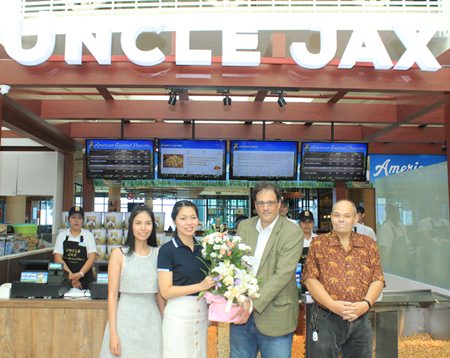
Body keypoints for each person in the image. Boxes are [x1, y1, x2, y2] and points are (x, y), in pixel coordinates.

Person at [302, 200, 385, 358]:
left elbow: (378, 278)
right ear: (331, 218)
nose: (341, 219)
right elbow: (310, 278)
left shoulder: (368, 244)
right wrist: (332, 305)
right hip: (326, 319)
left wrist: (365, 304)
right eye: (337, 215)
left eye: (347, 216)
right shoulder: (318, 244)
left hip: (360, 319)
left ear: (355, 219)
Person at [230, 181, 303, 358]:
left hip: (276, 315)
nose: (266, 208)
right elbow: (235, 264)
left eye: (270, 203)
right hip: (241, 314)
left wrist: (252, 304)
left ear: (279, 204)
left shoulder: (292, 232)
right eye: (261, 203)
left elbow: (282, 274)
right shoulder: (244, 227)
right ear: (255, 205)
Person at [100, 204, 164, 358]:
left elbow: (160, 294)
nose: (143, 228)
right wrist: (113, 334)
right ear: (131, 226)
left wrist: (166, 322)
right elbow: (112, 296)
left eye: (148, 223)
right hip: (124, 321)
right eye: (138, 223)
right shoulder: (119, 254)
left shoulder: (159, 254)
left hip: (151, 322)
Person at [157, 200, 215, 358]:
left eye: (193, 217)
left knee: (199, 353)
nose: (189, 223)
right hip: (178, 316)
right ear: (174, 221)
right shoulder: (167, 250)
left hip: (202, 313)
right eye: (183, 218)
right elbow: (166, 291)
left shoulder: (206, 249)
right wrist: (201, 286)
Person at [53, 206, 96, 289]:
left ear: (83, 220)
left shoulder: (89, 236)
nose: (76, 220)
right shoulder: (61, 236)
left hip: (85, 279)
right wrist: (72, 277)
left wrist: (80, 274)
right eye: (73, 217)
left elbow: (92, 257)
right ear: (68, 219)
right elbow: (57, 258)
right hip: (66, 280)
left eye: (79, 218)